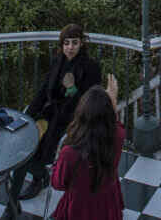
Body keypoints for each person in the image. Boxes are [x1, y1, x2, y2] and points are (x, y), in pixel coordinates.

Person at [5, 24, 102, 214]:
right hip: (49, 114)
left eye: (75, 43)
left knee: (32, 157)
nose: (70, 47)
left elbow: (90, 101)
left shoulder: (91, 68)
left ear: (82, 44)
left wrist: (73, 90)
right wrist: (28, 115)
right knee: (23, 147)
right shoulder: (58, 61)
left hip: (71, 120)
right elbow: (43, 91)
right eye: (66, 43)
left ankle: (35, 180)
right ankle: (17, 199)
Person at [47, 76, 125, 220]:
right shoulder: (119, 134)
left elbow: (58, 184)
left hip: (79, 207)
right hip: (108, 200)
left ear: (81, 113)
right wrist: (111, 100)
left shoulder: (70, 153)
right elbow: (113, 122)